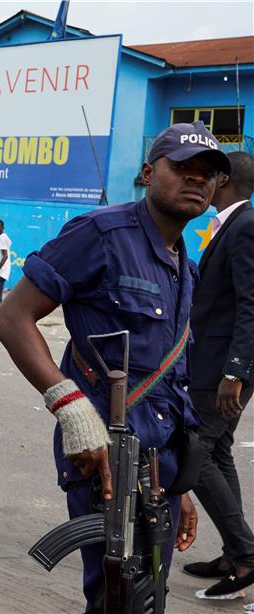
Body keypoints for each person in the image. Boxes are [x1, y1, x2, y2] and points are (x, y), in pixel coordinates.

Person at [0, 121, 232, 613]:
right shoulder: (101, 233)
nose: (196, 179)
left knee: (149, 598)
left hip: (158, 469)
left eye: (207, 173)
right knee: (117, 598)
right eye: (182, 167)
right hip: (104, 452)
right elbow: (13, 317)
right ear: (148, 172)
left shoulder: (184, 268)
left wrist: (177, 487)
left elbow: (170, 385)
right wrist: (70, 407)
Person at [184, 151, 254, 596]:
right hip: (214, 362)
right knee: (219, 451)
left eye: (208, 176)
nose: (202, 183)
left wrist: (236, 372)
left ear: (222, 180)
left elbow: (252, 304)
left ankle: (246, 557)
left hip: (223, 367)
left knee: (198, 453)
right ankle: (235, 551)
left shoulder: (245, 227)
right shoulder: (231, 224)